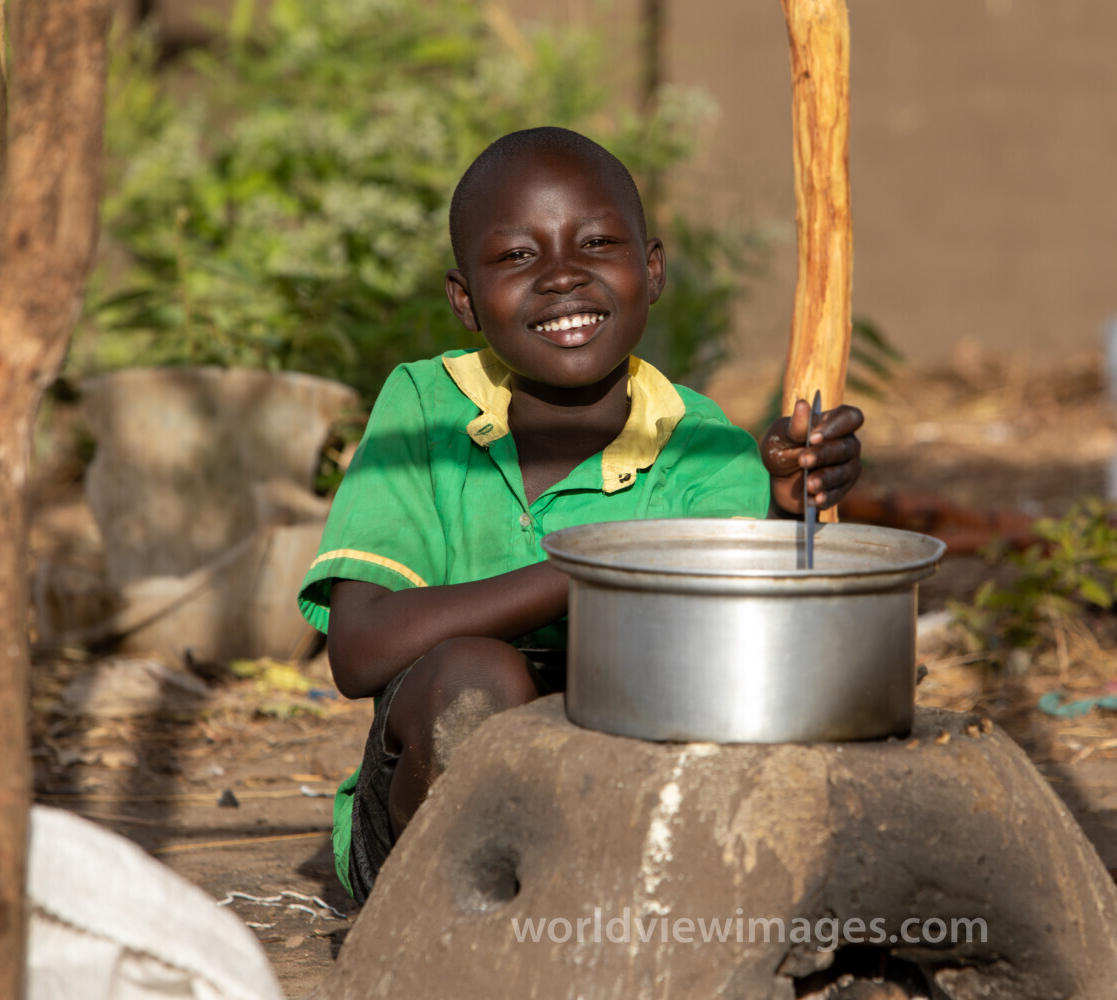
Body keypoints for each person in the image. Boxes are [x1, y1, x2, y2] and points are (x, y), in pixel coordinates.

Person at [297, 126, 864, 902]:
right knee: (475, 682)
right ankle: (467, 937)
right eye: (516, 255)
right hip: (423, 843)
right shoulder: (425, 410)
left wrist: (779, 521)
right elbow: (360, 650)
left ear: (651, 270)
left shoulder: (703, 451)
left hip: (627, 822)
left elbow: (727, 666)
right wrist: (600, 564)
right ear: (464, 301)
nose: (563, 276)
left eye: (596, 243)